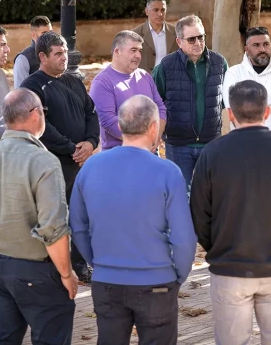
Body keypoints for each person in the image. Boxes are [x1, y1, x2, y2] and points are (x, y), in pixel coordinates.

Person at [190, 80, 271, 344]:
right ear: (267, 111)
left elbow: (199, 213)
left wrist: (219, 246)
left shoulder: (212, 153)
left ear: (231, 114)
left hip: (230, 267)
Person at [70, 95, 196, 343]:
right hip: (157, 281)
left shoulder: (91, 167)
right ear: (153, 127)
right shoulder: (167, 171)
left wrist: (99, 262)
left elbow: (78, 227)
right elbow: (184, 237)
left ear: (120, 125)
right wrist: (177, 276)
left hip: (107, 280)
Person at [0, 88, 77, 345]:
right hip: (37, 269)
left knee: (4, 339)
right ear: (36, 114)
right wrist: (66, 273)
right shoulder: (44, 161)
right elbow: (54, 229)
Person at [21, 31, 99, 280]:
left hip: (80, 162)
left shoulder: (74, 81)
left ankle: (79, 264)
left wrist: (90, 142)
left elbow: (91, 113)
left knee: (81, 215)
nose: (64, 57)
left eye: (65, 52)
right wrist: (71, 148)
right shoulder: (32, 86)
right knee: (56, 217)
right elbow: (41, 126)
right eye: (58, 53)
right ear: (42, 56)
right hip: (53, 164)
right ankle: (54, 266)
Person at [152, 15, 228, 190]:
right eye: (191, 39)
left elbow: (223, 99)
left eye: (201, 37)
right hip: (179, 145)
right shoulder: (165, 66)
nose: (198, 42)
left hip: (210, 143)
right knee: (179, 195)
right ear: (179, 42)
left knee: (212, 195)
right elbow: (156, 103)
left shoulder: (219, 63)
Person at [89, 30, 166, 151]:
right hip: (117, 156)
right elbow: (108, 121)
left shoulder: (145, 76)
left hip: (150, 152)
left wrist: (155, 138)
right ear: (117, 52)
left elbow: (160, 108)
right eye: (133, 50)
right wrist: (143, 142)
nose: (138, 55)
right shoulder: (102, 83)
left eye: (140, 51)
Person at [224, 27, 271, 136]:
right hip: (244, 141)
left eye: (266, 44)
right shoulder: (234, 72)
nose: (262, 49)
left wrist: (247, 97)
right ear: (246, 49)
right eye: (256, 45)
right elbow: (231, 103)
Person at [132, 0, 178, 72]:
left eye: (163, 10)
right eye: (156, 10)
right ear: (147, 11)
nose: (160, 14)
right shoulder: (135, 34)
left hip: (170, 80)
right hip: (145, 81)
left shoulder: (176, 32)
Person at [13, 15, 53, 88]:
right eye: (44, 33)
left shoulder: (55, 53)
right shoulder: (23, 59)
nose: (49, 36)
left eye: (50, 32)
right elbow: (20, 92)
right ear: (34, 35)